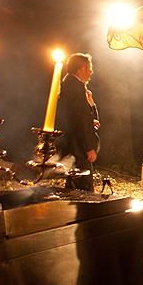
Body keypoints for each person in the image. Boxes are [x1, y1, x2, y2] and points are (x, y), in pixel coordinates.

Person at [55, 53, 100, 192]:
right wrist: (89, 147)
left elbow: (79, 115)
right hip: (77, 145)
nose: (91, 71)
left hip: (73, 143)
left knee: (74, 183)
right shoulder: (74, 86)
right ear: (80, 69)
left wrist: (90, 105)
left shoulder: (71, 84)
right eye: (89, 68)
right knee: (83, 186)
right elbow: (79, 119)